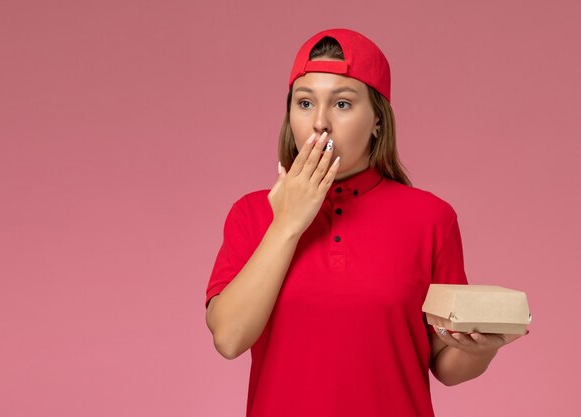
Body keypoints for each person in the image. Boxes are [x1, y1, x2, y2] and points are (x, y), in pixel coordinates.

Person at [204, 28, 527, 417]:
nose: (319, 122)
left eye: (342, 104)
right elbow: (229, 337)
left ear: (377, 120)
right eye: (305, 103)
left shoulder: (431, 218)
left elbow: (445, 365)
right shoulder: (252, 213)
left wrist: (481, 348)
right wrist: (287, 224)